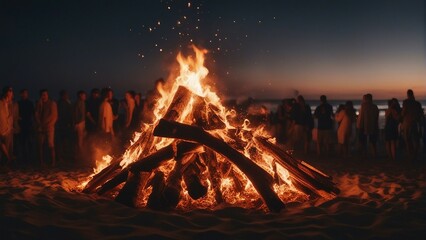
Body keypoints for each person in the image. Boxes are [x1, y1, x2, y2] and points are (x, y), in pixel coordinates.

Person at [35, 89, 58, 167]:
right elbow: (36, 114)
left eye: (45, 95)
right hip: (41, 127)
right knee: (40, 144)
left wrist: (48, 125)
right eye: (42, 95)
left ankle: (53, 162)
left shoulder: (52, 103)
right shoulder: (39, 103)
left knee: (50, 145)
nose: (43, 96)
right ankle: (41, 162)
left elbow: (54, 116)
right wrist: (39, 124)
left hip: (49, 127)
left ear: (47, 95)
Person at [401, 89, 423, 162]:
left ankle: (410, 155)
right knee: (416, 140)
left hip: (407, 123)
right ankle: (415, 155)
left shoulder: (406, 102)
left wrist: (401, 117)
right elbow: (421, 114)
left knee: (408, 140)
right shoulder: (418, 103)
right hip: (416, 123)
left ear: (407, 94)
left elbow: (403, 113)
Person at [357, 93, 379, 159]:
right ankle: (374, 155)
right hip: (373, 125)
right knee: (373, 142)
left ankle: (364, 155)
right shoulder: (375, 106)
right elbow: (376, 117)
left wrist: (359, 126)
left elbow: (361, 117)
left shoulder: (363, 106)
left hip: (363, 126)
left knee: (363, 142)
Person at [17, 89, 34, 164]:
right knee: (22, 143)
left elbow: (32, 114)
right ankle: (24, 159)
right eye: (23, 93)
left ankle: (30, 159)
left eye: (26, 93)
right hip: (21, 125)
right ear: (21, 94)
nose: (24, 95)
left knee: (29, 142)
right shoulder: (19, 103)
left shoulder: (30, 103)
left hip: (28, 125)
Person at [56, 90, 73, 162]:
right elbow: (64, 114)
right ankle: (62, 157)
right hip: (63, 125)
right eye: (66, 95)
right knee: (63, 142)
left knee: (64, 142)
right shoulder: (62, 103)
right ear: (63, 95)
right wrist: (68, 123)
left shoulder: (65, 102)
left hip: (64, 124)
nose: (67, 96)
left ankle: (64, 157)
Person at [0, 86, 14, 164]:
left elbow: (10, 115)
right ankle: (8, 159)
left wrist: (11, 126)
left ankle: (7, 162)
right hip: (2, 127)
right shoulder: (1, 103)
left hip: (8, 128)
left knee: (7, 146)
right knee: (2, 145)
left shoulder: (10, 103)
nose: (11, 93)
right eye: (9, 91)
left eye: (11, 91)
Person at [98, 88, 114, 153]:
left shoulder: (102, 104)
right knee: (107, 146)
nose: (112, 95)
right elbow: (105, 118)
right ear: (106, 95)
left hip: (104, 129)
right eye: (110, 94)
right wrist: (110, 130)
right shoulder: (106, 104)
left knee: (104, 145)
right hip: (106, 130)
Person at [73, 90, 87, 160]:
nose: (85, 96)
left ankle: (79, 156)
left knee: (79, 140)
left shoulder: (81, 103)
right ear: (80, 95)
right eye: (84, 95)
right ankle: (80, 157)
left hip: (81, 123)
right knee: (79, 141)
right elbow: (76, 114)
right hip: (79, 123)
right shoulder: (79, 103)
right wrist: (76, 123)